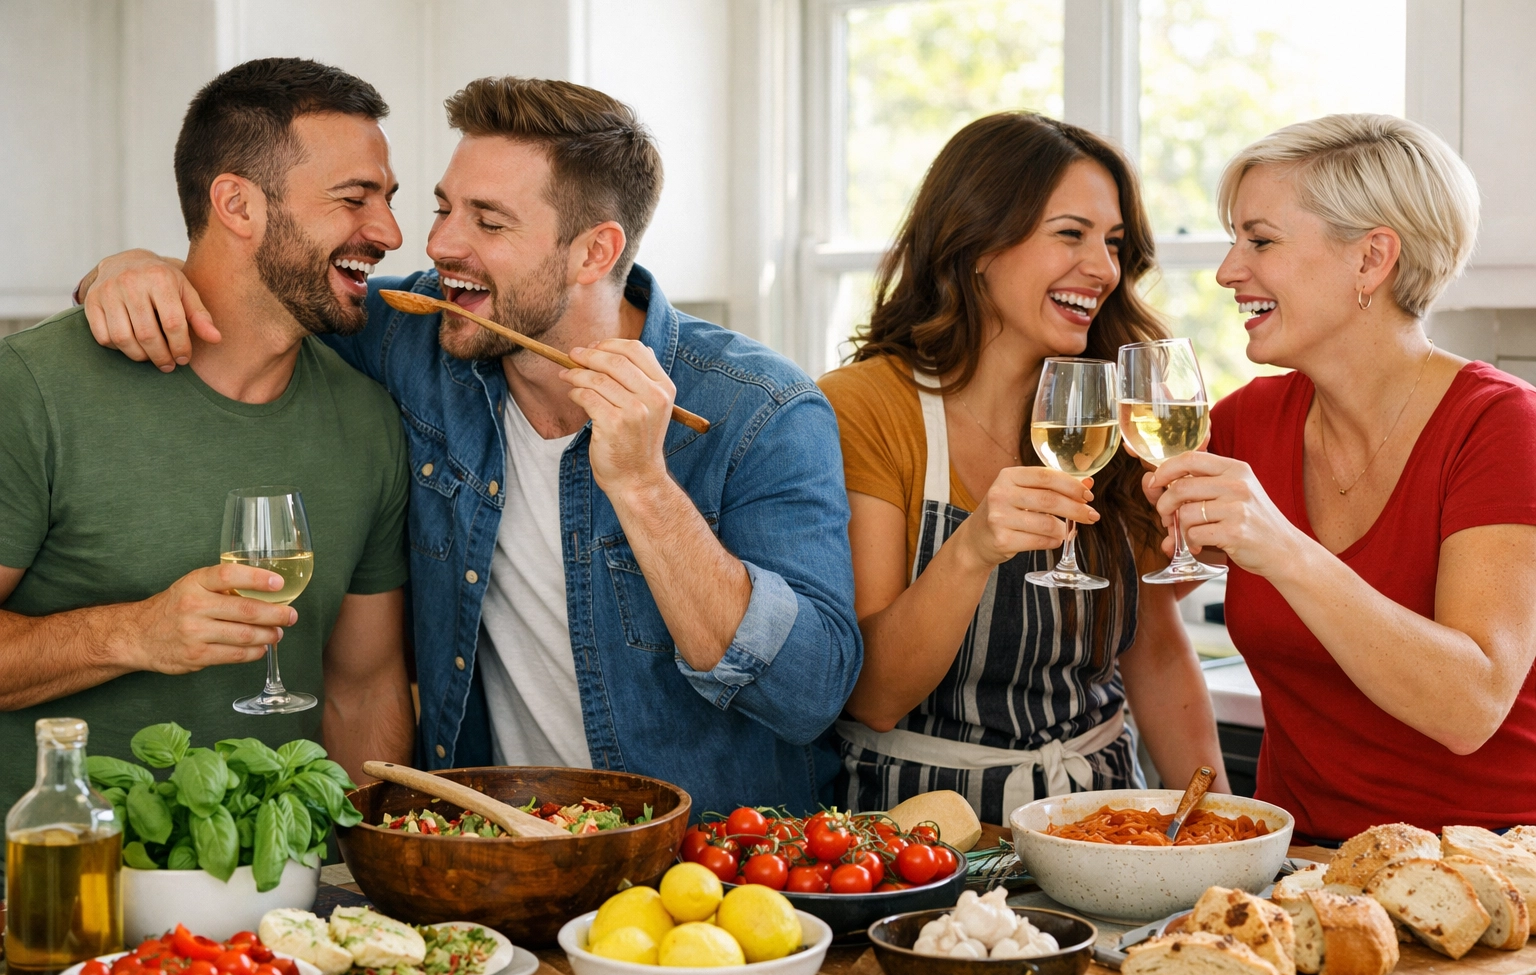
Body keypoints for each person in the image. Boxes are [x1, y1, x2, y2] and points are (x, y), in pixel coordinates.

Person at [75, 77, 861, 815]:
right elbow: (264, 283)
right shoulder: (416, 333)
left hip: (713, 875)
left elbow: (808, 695)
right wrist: (123, 270)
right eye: (444, 208)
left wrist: (646, 487)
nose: (440, 243)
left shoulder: (761, 409)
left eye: (488, 222)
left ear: (595, 252)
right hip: (493, 860)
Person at [0, 58, 415, 833]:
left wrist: (366, 887)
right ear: (237, 203)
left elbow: (364, 687)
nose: (390, 233)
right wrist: (134, 633)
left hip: (281, 909)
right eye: (354, 198)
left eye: (388, 200)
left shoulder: (367, 418)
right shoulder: (32, 388)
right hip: (57, 899)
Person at [819, 113, 1226, 825]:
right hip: (918, 839)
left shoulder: (1117, 411)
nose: (1102, 269)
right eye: (1069, 234)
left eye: (1113, 243)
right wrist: (975, 547)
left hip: (1100, 821)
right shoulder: (865, 407)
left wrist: (1216, 825)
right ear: (977, 243)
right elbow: (876, 697)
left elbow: (1156, 652)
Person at [1144, 113, 1536, 842]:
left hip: (1488, 875)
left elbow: (1470, 706)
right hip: (1303, 868)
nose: (1230, 270)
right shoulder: (1246, 424)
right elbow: (1137, 599)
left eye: (1260, 240)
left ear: (1371, 260)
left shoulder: (1502, 427)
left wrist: (1283, 548)